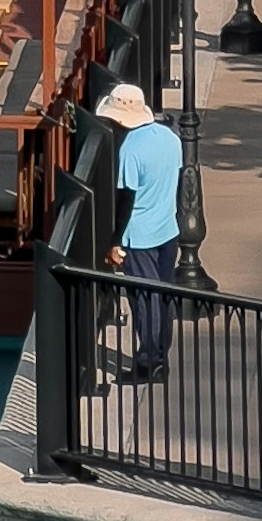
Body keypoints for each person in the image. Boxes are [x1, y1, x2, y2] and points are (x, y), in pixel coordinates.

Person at [102, 80, 186, 380]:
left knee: (143, 298)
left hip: (139, 235)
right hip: (167, 227)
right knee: (164, 294)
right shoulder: (170, 139)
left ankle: (149, 362)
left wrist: (114, 241)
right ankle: (161, 353)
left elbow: (126, 200)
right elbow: (177, 182)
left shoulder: (130, 150)